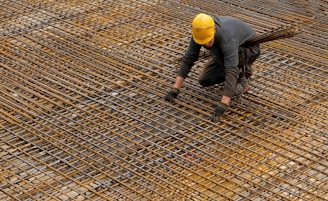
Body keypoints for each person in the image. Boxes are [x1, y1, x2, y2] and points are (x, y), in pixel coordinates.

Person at [164, 13, 261, 122]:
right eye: (203, 43)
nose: (206, 45)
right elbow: (188, 59)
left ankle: (243, 75)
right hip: (224, 51)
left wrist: (223, 104)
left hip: (248, 49)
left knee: (218, 54)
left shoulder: (227, 36)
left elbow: (231, 67)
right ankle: (230, 73)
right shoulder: (199, 33)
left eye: (208, 41)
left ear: (214, 30)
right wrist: (175, 89)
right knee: (204, 80)